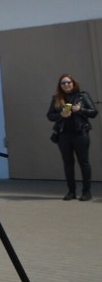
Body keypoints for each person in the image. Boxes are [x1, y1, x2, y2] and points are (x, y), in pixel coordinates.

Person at [47, 73, 97, 201]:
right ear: (60, 86)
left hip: (80, 134)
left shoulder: (82, 96)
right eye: (63, 83)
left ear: (73, 83)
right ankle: (71, 192)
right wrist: (61, 116)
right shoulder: (57, 98)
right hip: (63, 135)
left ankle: (86, 192)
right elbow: (50, 115)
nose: (66, 85)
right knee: (68, 163)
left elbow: (94, 112)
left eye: (68, 82)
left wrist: (80, 110)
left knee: (84, 162)